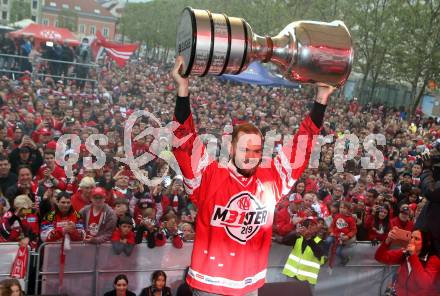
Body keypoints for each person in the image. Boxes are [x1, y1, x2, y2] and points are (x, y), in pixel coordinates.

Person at [171, 56, 335, 295]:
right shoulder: (209, 175)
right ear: (231, 148)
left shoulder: (272, 179)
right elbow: (184, 142)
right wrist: (183, 88)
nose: (251, 156)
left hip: (249, 286)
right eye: (245, 149)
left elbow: (303, 146)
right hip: (209, 285)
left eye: (256, 151)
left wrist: (321, 99)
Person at [375, 228, 440, 296]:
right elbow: (380, 257)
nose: (412, 240)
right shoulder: (405, 253)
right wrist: (387, 241)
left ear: (426, 243)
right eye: (411, 237)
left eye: (416, 239)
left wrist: (413, 256)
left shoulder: (434, 260)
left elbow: (424, 284)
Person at [281, 218, 326, 292]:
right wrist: (296, 232)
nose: (309, 227)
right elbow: (284, 241)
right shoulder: (298, 238)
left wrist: (308, 238)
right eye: (307, 225)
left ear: (316, 229)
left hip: (307, 280)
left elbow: (319, 253)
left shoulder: (321, 242)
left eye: (312, 225)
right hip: (291, 275)